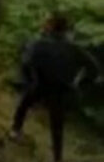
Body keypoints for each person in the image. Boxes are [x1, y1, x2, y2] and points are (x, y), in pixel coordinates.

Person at [9, 13, 98, 162]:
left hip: (40, 85)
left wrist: (30, 79)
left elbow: (26, 63)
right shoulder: (74, 48)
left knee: (24, 102)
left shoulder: (38, 44)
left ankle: (15, 130)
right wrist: (80, 82)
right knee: (57, 126)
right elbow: (94, 69)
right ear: (65, 30)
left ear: (50, 27)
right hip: (63, 90)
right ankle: (57, 157)